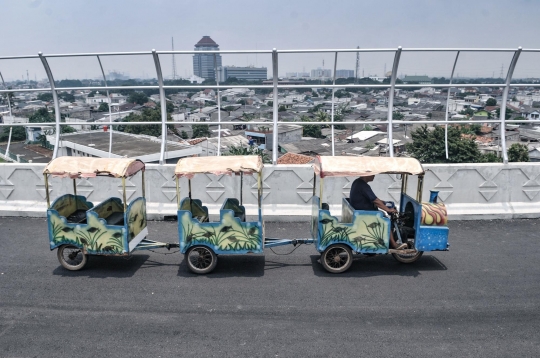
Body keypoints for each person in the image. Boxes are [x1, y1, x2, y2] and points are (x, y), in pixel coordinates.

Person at [350, 174, 407, 250]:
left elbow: (373, 198)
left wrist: (383, 202)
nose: (374, 176)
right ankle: (394, 244)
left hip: (361, 212)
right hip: (365, 214)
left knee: (383, 215)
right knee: (386, 221)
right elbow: (375, 200)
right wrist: (388, 209)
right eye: (372, 174)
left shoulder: (357, 182)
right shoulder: (363, 186)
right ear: (365, 175)